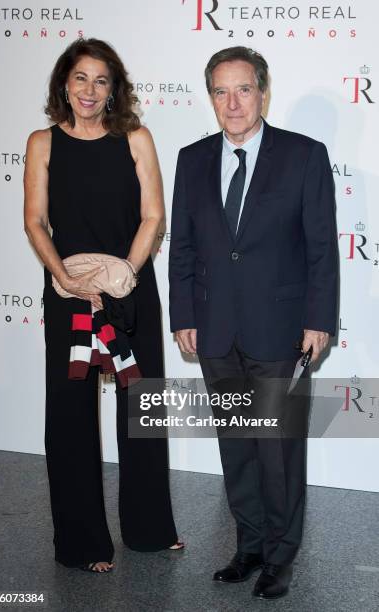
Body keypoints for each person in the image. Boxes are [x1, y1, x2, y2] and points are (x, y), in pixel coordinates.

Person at [169, 46, 338, 599]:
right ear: (211, 97)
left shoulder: (304, 156)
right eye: (221, 91)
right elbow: (185, 248)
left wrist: (318, 319)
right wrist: (185, 314)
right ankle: (249, 546)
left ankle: (281, 558)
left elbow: (321, 250)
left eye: (243, 89)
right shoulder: (192, 159)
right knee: (237, 445)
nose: (233, 102)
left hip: (281, 330)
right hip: (216, 330)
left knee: (279, 451)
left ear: (263, 91)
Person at [24, 38, 183, 574]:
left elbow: (153, 215)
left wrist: (125, 276)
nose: (89, 91)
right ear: (63, 85)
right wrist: (64, 276)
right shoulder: (42, 142)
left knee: (142, 409)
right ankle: (82, 542)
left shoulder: (135, 137)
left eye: (101, 81)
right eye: (80, 78)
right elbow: (34, 221)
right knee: (69, 416)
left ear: (113, 89)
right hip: (68, 292)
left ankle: (150, 530)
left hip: (129, 286)